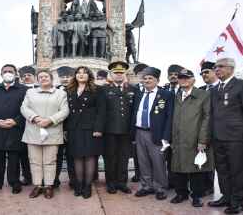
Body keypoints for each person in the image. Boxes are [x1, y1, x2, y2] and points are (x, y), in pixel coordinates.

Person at [208, 58, 243, 214]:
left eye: (220, 67)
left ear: (231, 68)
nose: (217, 70)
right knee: (222, 170)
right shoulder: (214, 89)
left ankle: (238, 201)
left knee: (238, 171)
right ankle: (226, 196)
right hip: (218, 136)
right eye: (215, 67)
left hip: (237, 137)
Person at [21, 69, 69, 199]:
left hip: (52, 130)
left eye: (46, 76)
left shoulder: (60, 94)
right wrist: (35, 118)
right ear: (37, 79)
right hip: (34, 130)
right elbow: (24, 108)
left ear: (51, 78)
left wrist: (50, 120)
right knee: (35, 160)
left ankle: (48, 186)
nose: (43, 78)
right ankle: (37, 186)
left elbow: (64, 110)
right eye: (40, 77)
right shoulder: (30, 92)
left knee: (50, 161)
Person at [170, 69, 213, 207]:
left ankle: (197, 196)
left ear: (193, 80)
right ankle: (181, 193)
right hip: (177, 138)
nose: (183, 80)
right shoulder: (176, 95)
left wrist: (202, 140)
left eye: (187, 78)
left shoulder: (203, 95)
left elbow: (207, 118)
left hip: (195, 138)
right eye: (181, 78)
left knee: (197, 169)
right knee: (178, 167)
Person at [131, 66, 173, 200]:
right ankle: (146, 186)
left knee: (158, 162)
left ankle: (160, 187)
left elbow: (169, 117)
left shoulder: (166, 95)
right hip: (139, 132)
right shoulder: (138, 94)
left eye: (150, 78)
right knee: (143, 161)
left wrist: (166, 137)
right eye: (145, 78)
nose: (147, 80)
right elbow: (134, 113)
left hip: (156, 134)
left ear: (157, 80)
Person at [0, 64, 28, 195]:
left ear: (15, 74)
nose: (8, 73)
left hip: (16, 129)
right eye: (5, 71)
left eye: (10, 71)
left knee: (14, 159)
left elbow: (29, 108)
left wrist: (16, 121)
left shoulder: (24, 90)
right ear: (1, 74)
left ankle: (14, 182)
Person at [65, 66, 106, 199]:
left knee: (89, 157)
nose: (81, 75)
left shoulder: (97, 90)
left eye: (84, 73)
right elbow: (66, 111)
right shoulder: (69, 90)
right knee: (76, 156)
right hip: (73, 128)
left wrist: (98, 129)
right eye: (78, 73)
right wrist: (65, 129)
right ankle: (79, 184)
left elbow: (101, 111)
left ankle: (87, 185)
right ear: (75, 75)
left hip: (90, 129)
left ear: (89, 76)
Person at [103, 61, 136, 194]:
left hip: (126, 131)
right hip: (109, 131)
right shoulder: (104, 90)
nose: (118, 75)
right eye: (116, 73)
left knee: (123, 157)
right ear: (111, 74)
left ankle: (122, 182)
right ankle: (110, 183)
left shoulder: (133, 89)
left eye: (121, 72)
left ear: (125, 74)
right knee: (110, 157)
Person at [198, 61, 219, 197]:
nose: (204, 75)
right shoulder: (200, 90)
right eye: (202, 73)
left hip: (220, 132)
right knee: (204, 161)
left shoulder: (221, 88)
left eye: (206, 72)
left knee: (220, 165)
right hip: (203, 131)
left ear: (214, 71)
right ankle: (206, 186)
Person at [163, 64, 184, 189]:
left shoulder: (186, 89)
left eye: (176, 75)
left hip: (181, 129)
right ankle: (171, 181)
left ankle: (181, 184)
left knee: (181, 158)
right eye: (171, 75)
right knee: (169, 158)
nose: (173, 77)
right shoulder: (164, 89)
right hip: (167, 130)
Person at [54, 66, 75, 188]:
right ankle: (55, 180)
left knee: (72, 156)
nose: (65, 79)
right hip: (57, 128)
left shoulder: (77, 90)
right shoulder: (54, 90)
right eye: (62, 76)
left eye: (68, 76)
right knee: (56, 156)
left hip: (73, 128)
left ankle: (73, 180)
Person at [18, 65, 37, 185]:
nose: (26, 77)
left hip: (37, 125)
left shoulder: (39, 88)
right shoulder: (18, 89)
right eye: (23, 76)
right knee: (24, 154)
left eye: (29, 75)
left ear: (34, 77)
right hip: (21, 125)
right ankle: (27, 176)